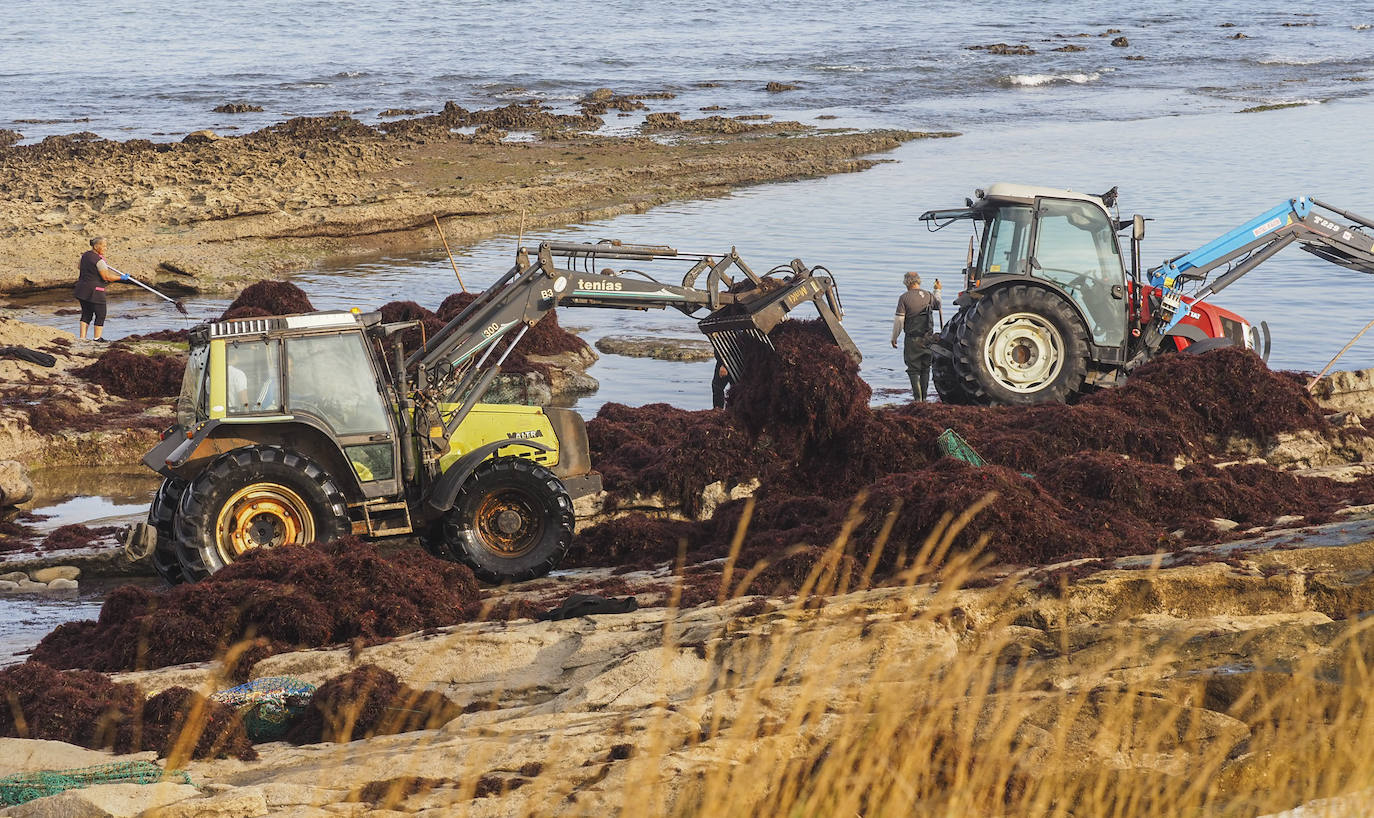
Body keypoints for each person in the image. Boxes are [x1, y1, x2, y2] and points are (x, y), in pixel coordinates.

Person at [891, 270, 937, 401]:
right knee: (925, 368)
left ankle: (918, 399)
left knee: (913, 369)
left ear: (906, 282)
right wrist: (937, 291)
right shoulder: (928, 295)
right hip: (928, 338)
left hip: (913, 339)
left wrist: (894, 337)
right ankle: (925, 397)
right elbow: (938, 305)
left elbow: (899, 321)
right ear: (918, 281)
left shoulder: (904, 298)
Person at [75, 237, 128, 342]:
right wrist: (121, 278)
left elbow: (79, 266)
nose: (105, 248)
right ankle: (97, 338)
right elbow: (106, 277)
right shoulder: (99, 261)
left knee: (86, 314)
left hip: (82, 290)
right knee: (101, 314)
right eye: (103, 246)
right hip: (95, 291)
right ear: (96, 246)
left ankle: (82, 339)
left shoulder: (85, 255)